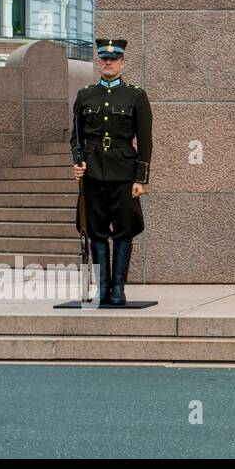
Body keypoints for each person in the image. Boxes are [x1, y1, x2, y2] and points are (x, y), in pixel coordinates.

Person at [71, 39, 153, 306]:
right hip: (93, 173)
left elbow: (145, 139)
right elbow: (77, 137)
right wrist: (78, 162)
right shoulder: (85, 96)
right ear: (99, 61)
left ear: (122, 63)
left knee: (123, 231)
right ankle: (102, 288)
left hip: (124, 173)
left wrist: (141, 178)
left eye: (114, 58)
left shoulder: (135, 96)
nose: (108, 62)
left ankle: (118, 288)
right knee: (96, 232)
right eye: (104, 58)